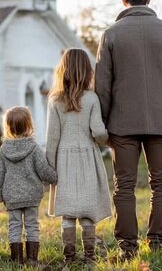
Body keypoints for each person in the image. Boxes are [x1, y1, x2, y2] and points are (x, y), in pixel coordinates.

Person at [95, 0, 162, 260]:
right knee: (161, 184)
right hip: (161, 121)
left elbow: (102, 86)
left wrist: (103, 125)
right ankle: (157, 240)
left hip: (122, 123)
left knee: (124, 185)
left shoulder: (111, 34)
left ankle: (127, 245)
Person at [45, 48, 112, 264]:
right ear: (87, 71)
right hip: (87, 158)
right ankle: (90, 257)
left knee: (68, 212)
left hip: (63, 162)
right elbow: (99, 132)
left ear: (62, 70)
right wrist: (108, 138)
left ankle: (69, 257)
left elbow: (52, 138)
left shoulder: (55, 100)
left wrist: (50, 167)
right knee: (87, 210)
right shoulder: (92, 98)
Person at [0, 106, 57, 265]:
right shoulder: (34, 148)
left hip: (12, 196)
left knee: (14, 226)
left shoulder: (3, 150)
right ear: (29, 125)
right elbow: (43, 169)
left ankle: (17, 260)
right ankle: (33, 260)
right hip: (31, 195)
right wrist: (55, 178)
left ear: (7, 127)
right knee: (32, 225)